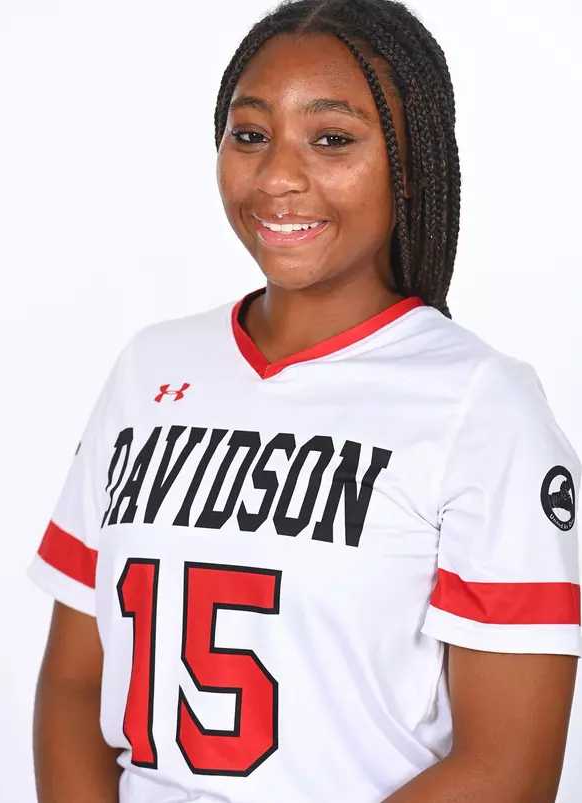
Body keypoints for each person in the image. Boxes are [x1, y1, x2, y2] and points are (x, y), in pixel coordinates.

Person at [28, 0, 581, 801]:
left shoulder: (483, 405)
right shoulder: (150, 368)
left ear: (410, 163)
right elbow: (76, 686)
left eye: (331, 139)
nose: (277, 176)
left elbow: (506, 769)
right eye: (250, 134)